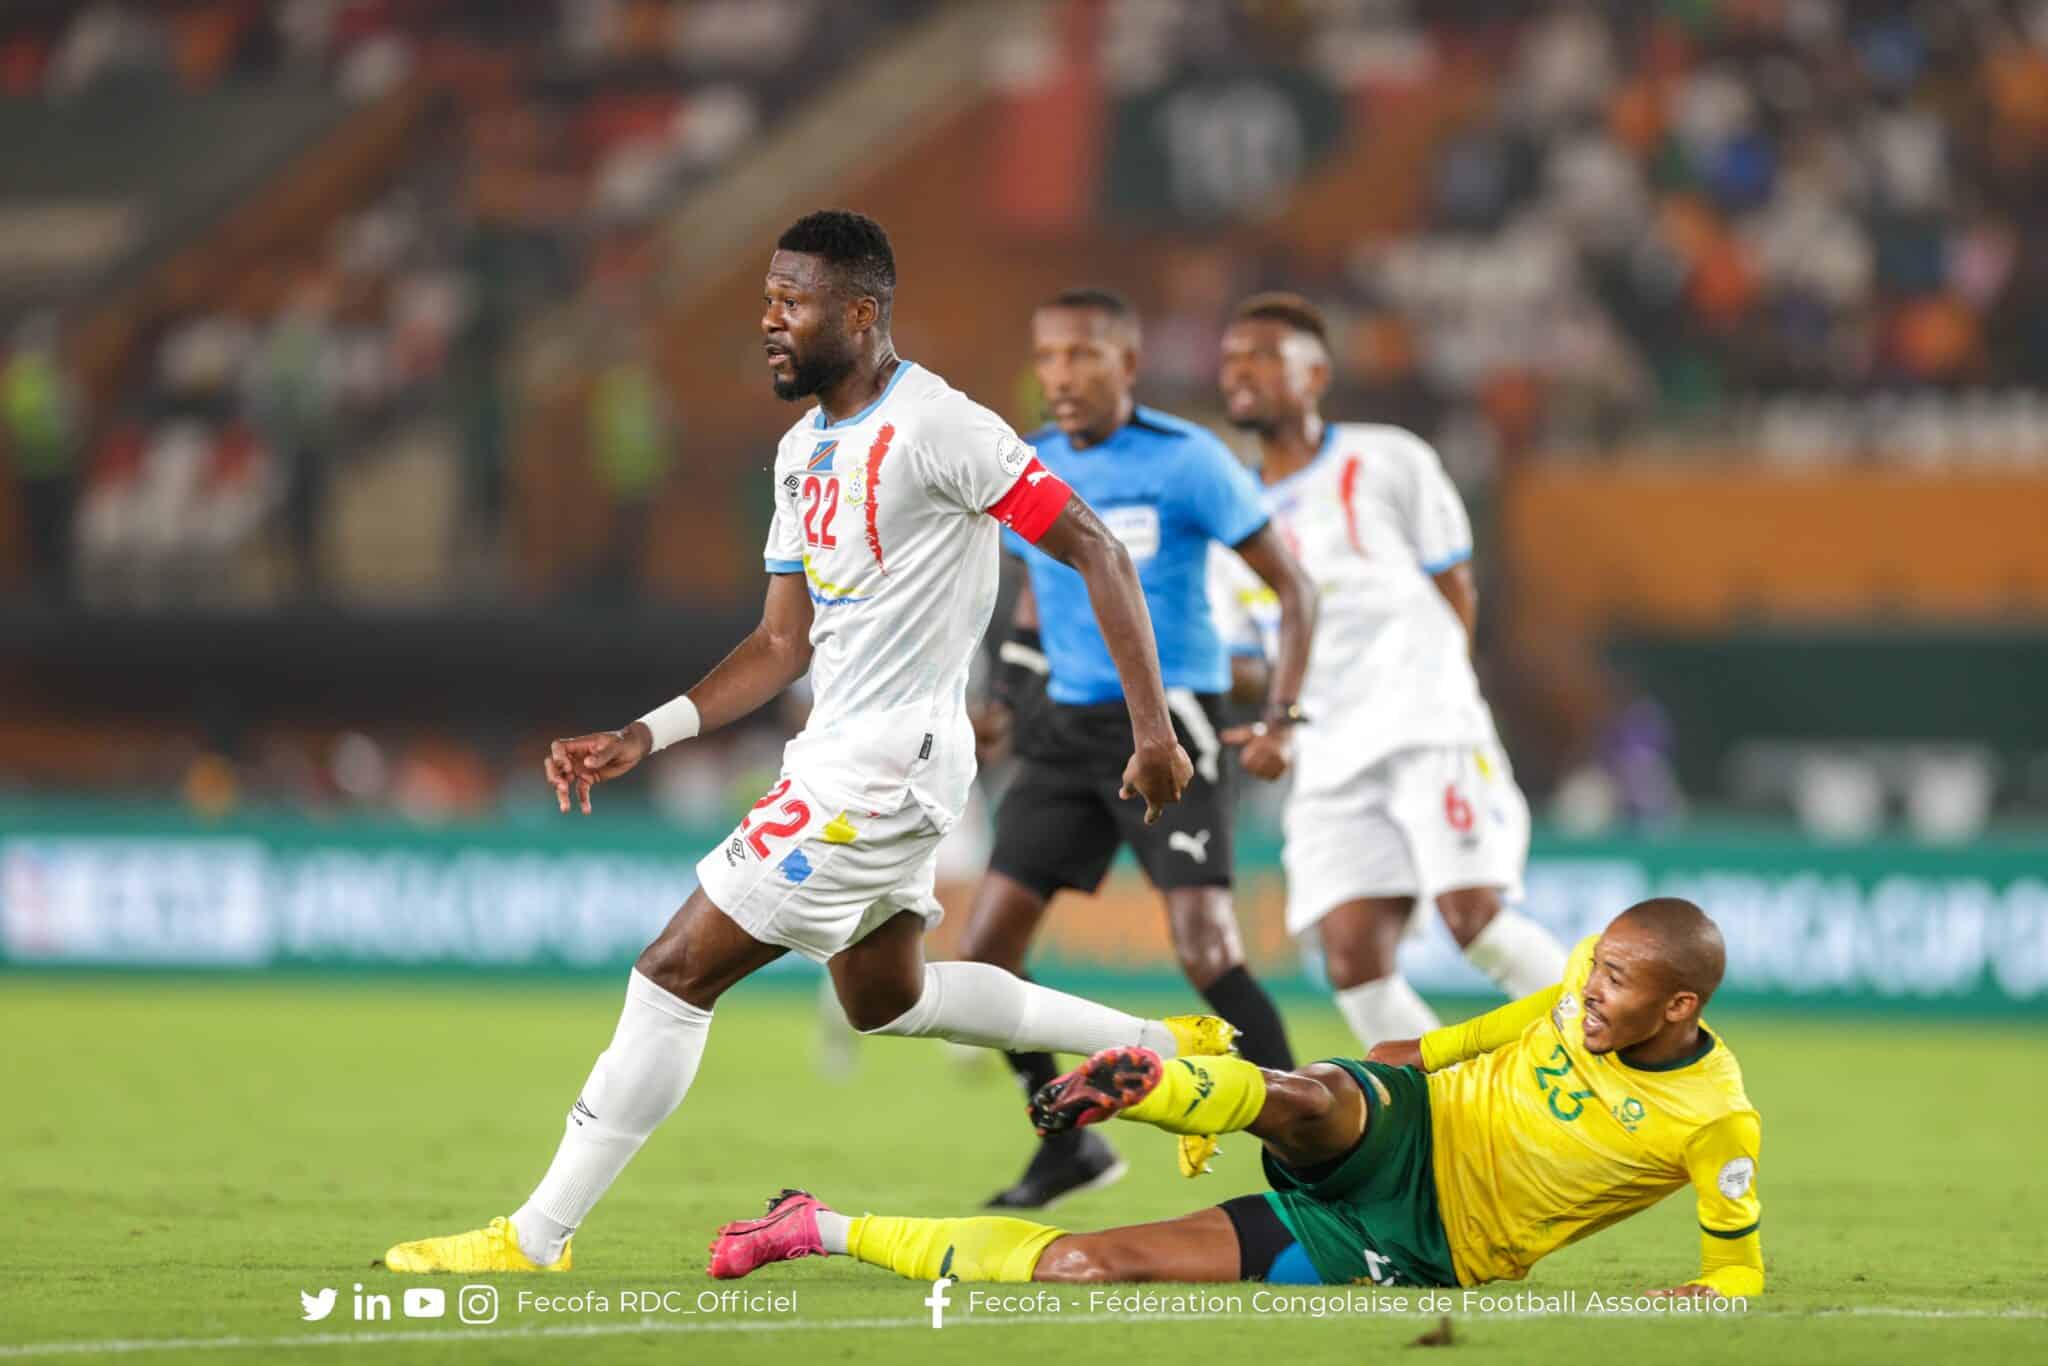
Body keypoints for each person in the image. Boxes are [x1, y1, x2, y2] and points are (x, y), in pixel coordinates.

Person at [381, 211, 1236, 1274]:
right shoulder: (801, 450)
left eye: (792, 302)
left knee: (671, 971)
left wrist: (1153, 732)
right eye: (769, 299)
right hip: (845, 755)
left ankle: (534, 1235)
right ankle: (1171, 1051)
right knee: (891, 1000)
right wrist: (642, 734)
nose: (769, 320)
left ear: (861, 313)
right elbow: (780, 643)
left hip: (882, 767)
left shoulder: (942, 427)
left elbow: (1097, 549)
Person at [709, 898, 1764, 1302]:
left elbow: (1734, 1277)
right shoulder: (1583, 978)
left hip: (1424, 1242)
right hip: (1413, 1118)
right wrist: (1405, 1056)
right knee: (1311, 1097)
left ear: (1678, 1005)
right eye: (1594, 968)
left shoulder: (1713, 1120)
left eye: (1616, 985)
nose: (1588, 989)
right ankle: (1161, 1075)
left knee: (1088, 1262)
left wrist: (1672, 1300)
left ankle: (815, 1225)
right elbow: (1487, 1029)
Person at [963, 288, 1317, 1210]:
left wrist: (1281, 717)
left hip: (1172, 726)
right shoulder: (1031, 464)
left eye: (1083, 355)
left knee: (1205, 949)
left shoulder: (1189, 461)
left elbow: (1296, 588)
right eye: (1048, 358)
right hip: (1063, 731)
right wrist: (1003, 697)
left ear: (1129, 364)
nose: (1062, 376)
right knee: (985, 951)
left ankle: (1312, 1145)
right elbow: (1039, 596)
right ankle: (1064, 1145)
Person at [1209, 292, 1565, 1050]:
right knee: (1351, 961)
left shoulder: (1388, 458)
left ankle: (1641, 1072)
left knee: (1476, 921)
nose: (1242, 372)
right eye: (1232, 359)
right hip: (1327, 753)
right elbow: (1246, 659)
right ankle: (1452, 1127)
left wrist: (1441, 690)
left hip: (1423, 725)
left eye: (1265, 356)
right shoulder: (1227, 518)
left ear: (1315, 375)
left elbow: (1454, 583)